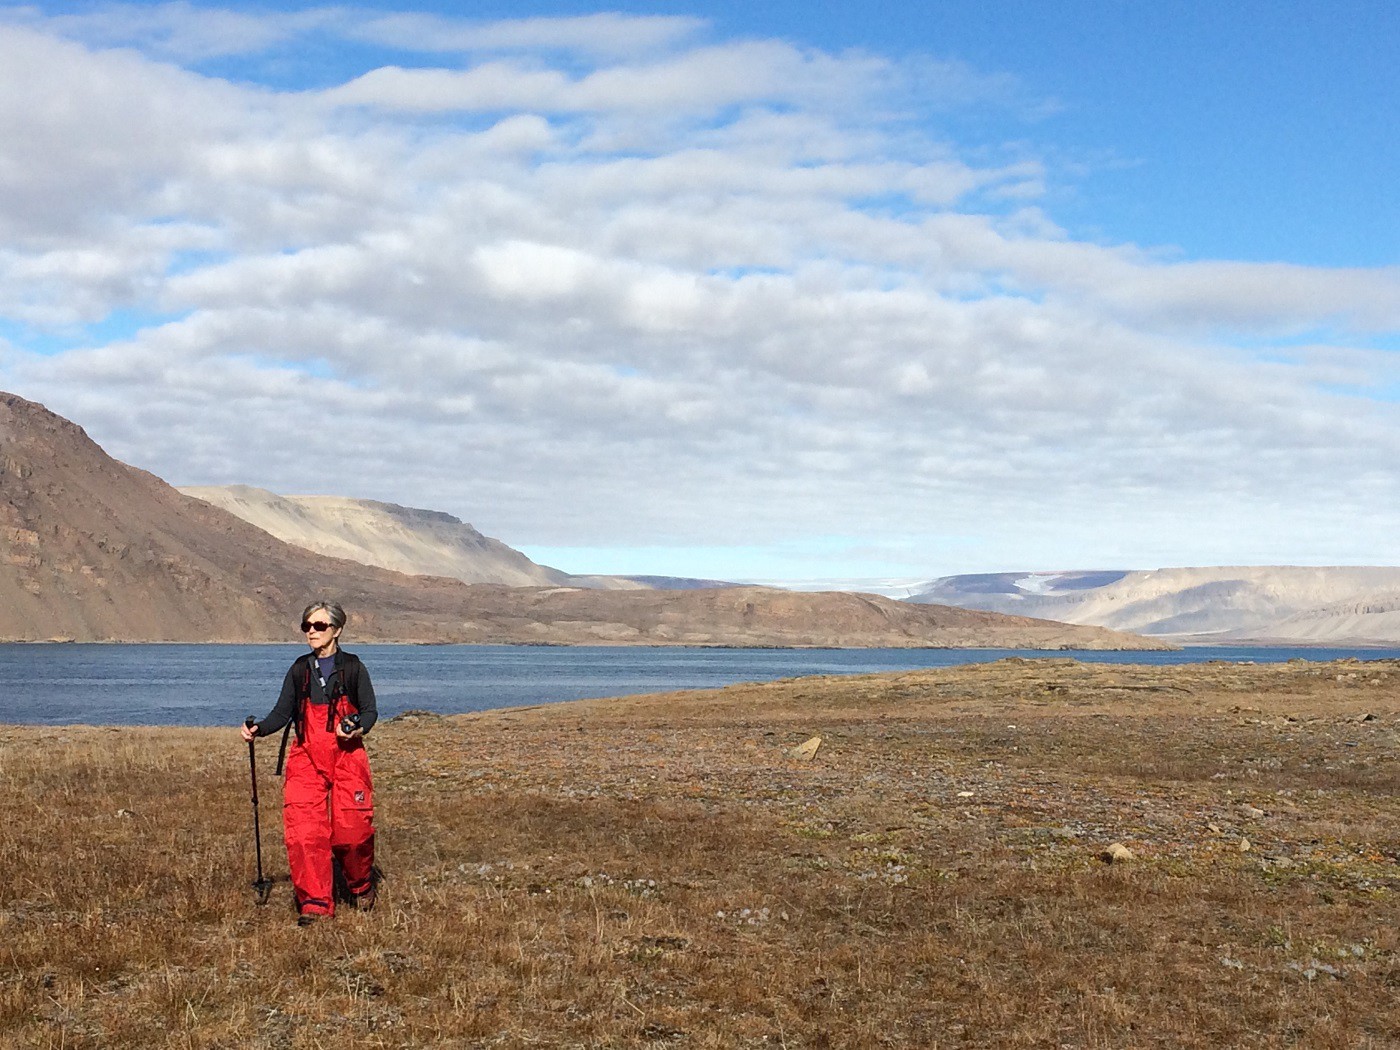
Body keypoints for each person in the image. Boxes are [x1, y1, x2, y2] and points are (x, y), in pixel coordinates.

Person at [240, 600, 378, 925]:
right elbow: (281, 713)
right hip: (306, 757)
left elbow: (370, 710)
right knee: (304, 833)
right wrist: (259, 729)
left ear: (337, 630)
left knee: (352, 833)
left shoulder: (354, 667)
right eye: (307, 626)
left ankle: (360, 884)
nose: (311, 632)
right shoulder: (299, 670)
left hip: (348, 756)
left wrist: (357, 725)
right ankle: (315, 903)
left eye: (319, 626)